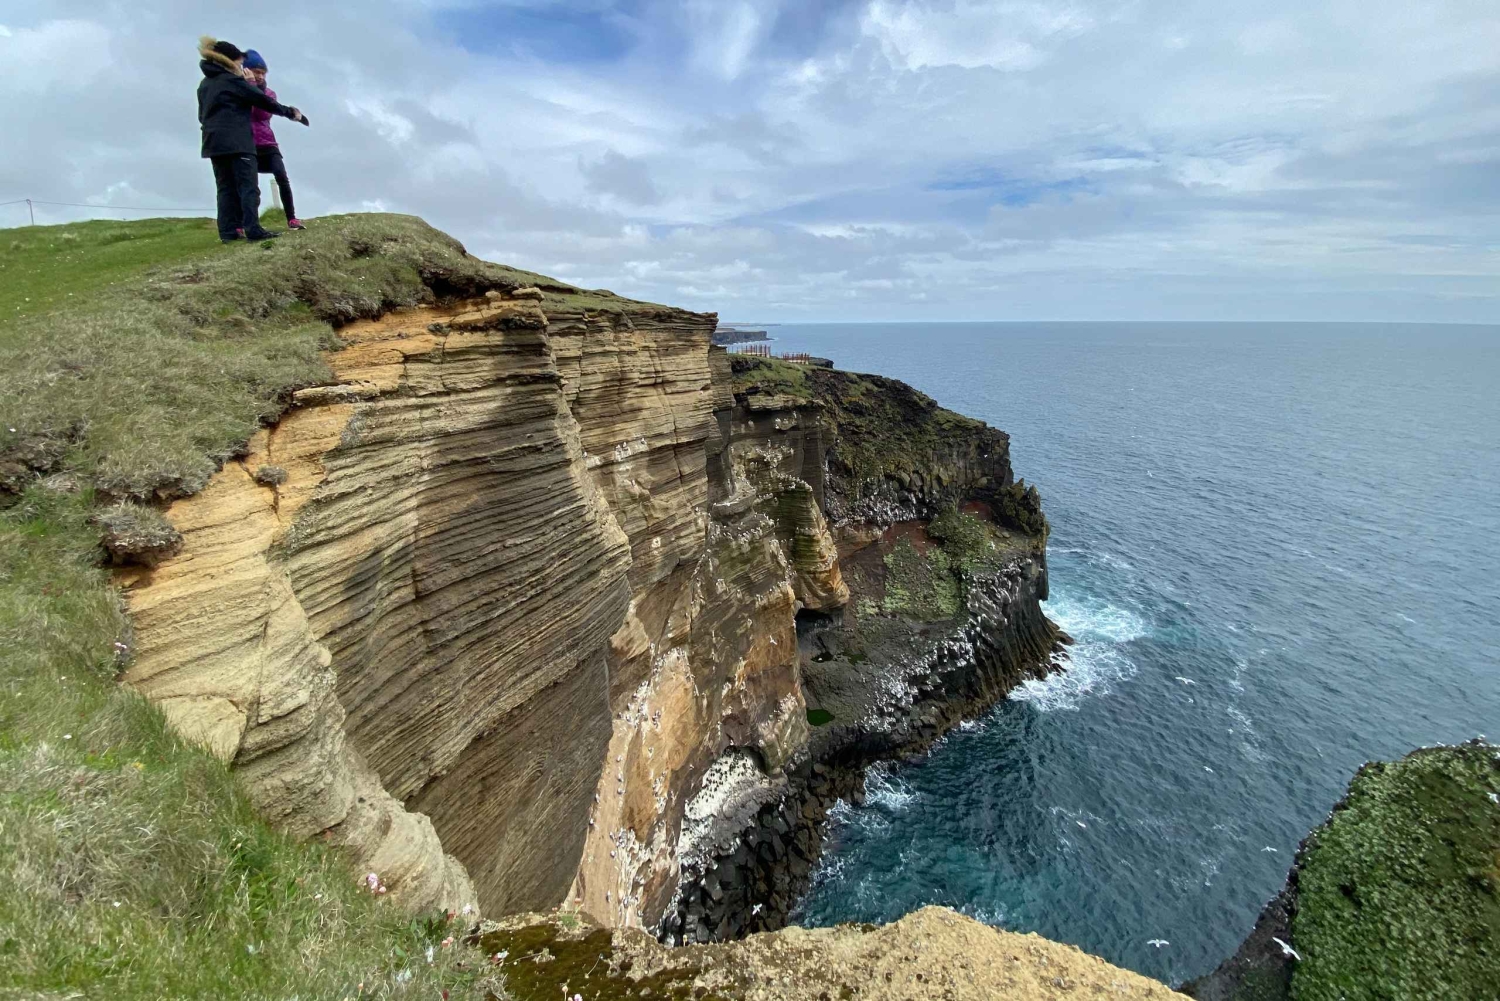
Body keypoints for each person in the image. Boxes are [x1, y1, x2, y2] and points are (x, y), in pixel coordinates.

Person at [196, 37, 309, 243]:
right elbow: (263, 101)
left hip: (213, 143)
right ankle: (253, 230)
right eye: (239, 63)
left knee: (225, 189)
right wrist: (290, 112)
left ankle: (228, 233)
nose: (242, 67)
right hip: (238, 142)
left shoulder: (204, 84)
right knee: (248, 187)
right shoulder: (233, 81)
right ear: (228, 62)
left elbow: (201, 116)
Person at [242, 50, 305, 230]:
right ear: (246, 71)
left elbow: (261, 113)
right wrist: (249, 86)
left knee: (282, 177)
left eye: (263, 73)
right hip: (247, 144)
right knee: (249, 185)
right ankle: (246, 224)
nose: (260, 76)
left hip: (268, 143)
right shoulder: (239, 89)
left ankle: (292, 218)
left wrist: (253, 86)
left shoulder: (269, 94)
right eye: (256, 71)